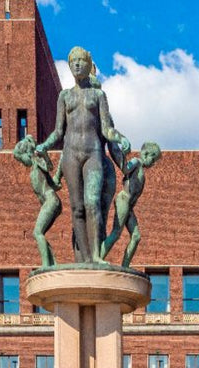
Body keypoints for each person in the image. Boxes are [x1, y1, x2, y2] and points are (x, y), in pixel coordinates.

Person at [37, 46, 130, 263]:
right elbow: (58, 131)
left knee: (92, 202)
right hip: (71, 154)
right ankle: (85, 259)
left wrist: (120, 138)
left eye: (81, 61)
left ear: (88, 65)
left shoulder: (98, 95)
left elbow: (106, 129)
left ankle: (96, 255)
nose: (77, 64)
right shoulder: (64, 96)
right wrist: (44, 145)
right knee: (77, 208)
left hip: (92, 153)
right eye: (73, 61)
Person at [99, 142, 162, 268]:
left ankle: (125, 266)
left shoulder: (141, 169)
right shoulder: (136, 162)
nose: (153, 163)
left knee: (136, 236)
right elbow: (126, 168)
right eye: (153, 159)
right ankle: (98, 259)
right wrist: (123, 154)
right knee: (116, 233)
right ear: (146, 154)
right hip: (124, 199)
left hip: (130, 206)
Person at [12, 135, 63, 267]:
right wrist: (60, 170)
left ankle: (46, 265)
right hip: (52, 201)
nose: (22, 163)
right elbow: (54, 184)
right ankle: (53, 264)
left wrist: (44, 155)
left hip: (50, 201)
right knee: (40, 233)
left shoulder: (36, 162)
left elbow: (49, 166)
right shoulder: (35, 168)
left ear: (27, 154)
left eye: (21, 159)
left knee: (37, 232)